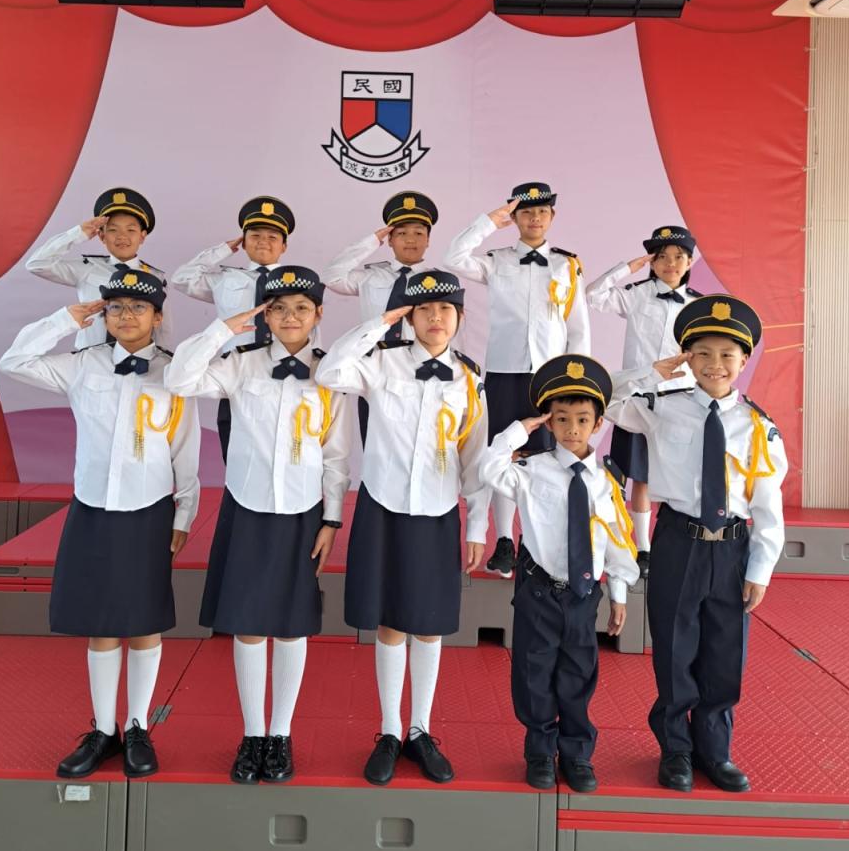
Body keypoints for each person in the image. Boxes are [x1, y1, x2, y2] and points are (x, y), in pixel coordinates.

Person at [0, 270, 200, 780]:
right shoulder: (83, 364)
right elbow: (14, 360)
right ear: (103, 315)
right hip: (92, 506)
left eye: (138, 307)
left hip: (150, 508)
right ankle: (104, 729)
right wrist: (66, 319)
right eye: (116, 307)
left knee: (144, 621)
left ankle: (138, 727)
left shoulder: (175, 373)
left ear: (157, 316)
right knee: (100, 623)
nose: (127, 316)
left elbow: (185, 450)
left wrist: (184, 513)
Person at [165, 266, 350, 785]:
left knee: (291, 626)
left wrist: (332, 518)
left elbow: (337, 455)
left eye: (301, 308)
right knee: (247, 624)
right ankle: (251, 734)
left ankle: (281, 734)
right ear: (264, 315)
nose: (290, 317)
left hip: (303, 511)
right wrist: (222, 329)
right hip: (247, 506)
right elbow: (179, 379)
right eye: (279, 308)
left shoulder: (331, 373)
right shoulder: (240, 363)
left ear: (318, 313)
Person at [606, 295, 787, 793]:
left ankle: (715, 749)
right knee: (674, 648)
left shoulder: (758, 426)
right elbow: (606, 401)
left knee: (725, 654)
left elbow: (768, 503)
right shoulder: (662, 408)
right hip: (678, 542)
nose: (714, 364)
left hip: (732, 548)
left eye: (727, 354)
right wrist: (653, 372)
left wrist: (761, 570)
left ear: (744, 360)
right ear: (687, 356)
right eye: (702, 353)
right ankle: (676, 750)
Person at [316, 271, 489, 787]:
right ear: (409, 318)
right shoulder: (380, 361)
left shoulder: (469, 378)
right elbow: (329, 371)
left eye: (445, 310)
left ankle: (420, 730)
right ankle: (390, 730)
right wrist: (379, 324)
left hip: (437, 509)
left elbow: (475, 453)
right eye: (424, 310)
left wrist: (478, 525)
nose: (436, 318)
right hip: (384, 504)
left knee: (429, 622)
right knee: (390, 621)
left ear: (459, 317)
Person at [480, 354, 639, 792]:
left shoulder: (607, 480)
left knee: (578, 674)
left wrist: (619, 594)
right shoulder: (531, 471)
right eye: (562, 419)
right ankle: (539, 751)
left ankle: (576, 754)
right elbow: (487, 469)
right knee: (534, 673)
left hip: (583, 594)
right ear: (549, 422)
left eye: (582, 420)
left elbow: (616, 539)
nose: (572, 429)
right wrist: (520, 429)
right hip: (539, 592)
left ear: (598, 423)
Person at [445, 183, 590, 578]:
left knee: (544, 456)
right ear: (515, 217)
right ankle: (505, 541)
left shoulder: (567, 265)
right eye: (526, 211)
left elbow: (578, 326)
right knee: (504, 451)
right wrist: (490, 222)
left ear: (552, 216)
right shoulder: (497, 260)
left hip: (550, 375)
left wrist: (576, 380)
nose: (534, 218)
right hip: (504, 371)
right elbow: (453, 257)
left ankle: (536, 539)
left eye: (542, 211)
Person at [585, 225, 701, 575]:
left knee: (681, 475)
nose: (670, 264)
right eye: (662, 257)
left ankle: (676, 542)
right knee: (640, 477)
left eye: (678, 257)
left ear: (690, 261)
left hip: (681, 400)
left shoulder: (698, 305)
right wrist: (628, 268)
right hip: (638, 398)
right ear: (652, 262)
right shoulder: (637, 294)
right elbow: (593, 294)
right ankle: (642, 547)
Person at [170, 196, 296, 462]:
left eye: (272, 237)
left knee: (286, 449)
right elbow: (181, 279)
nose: (263, 241)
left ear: (284, 246)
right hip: (236, 375)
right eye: (255, 235)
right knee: (236, 454)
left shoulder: (296, 283)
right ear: (244, 241)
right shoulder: (225, 279)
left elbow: (309, 330)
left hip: (284, 375)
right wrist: (225, 249)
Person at [322, 190, 439, 441]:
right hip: (374, 370)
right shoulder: (370, 276)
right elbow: (332, 276)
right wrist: (372, 240)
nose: (410, 239)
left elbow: (449, 330)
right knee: (374, 442)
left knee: (419, 441)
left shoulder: (437, 282)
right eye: (401, 233)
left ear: (428, 240)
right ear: (390, 240)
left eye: (419, 233)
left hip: (418, 369)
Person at [25, 187, 165, 349]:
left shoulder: (155, 277)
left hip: (138, 358)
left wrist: (162, 361)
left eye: (131, 230)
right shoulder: (87, 268)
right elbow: (37, 264)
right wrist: (78, 234)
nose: (122, 236)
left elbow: (162, 328)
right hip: (90, 357)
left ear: (142, 236)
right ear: (101, 236)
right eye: (113, 230)